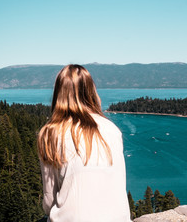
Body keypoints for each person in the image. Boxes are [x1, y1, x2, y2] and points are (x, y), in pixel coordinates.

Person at [37, 64, 131, 222]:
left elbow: (49, 201)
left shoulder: (50, 133)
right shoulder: (112, 129)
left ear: (59, 93)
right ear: (91, 91)